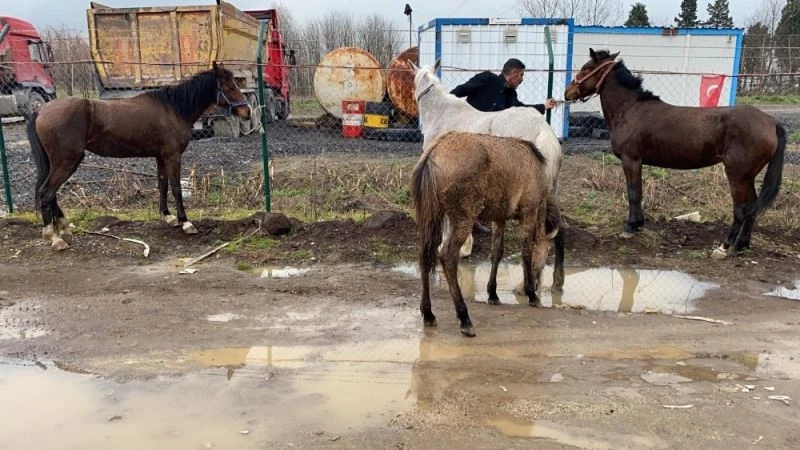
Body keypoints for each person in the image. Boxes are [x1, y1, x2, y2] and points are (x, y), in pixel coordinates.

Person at [450, 57, 556, 234]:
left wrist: (543, 106)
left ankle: (474, 221)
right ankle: (464, 222)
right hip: (469, 138)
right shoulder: (486, 79)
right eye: (521, 75)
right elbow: (458, 92)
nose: (522, 79)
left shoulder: (510, 95)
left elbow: (521, 110)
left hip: (488, 146)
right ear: (513, 73)